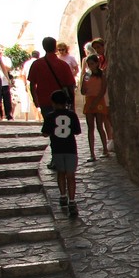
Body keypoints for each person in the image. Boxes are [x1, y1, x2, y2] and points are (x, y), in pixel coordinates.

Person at [41, 89, 81, 217]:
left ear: (53, 103)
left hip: (57, 149)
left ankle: (63, 195)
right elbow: (77, 131)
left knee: (61, 173)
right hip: (70, 149)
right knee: (71, 175)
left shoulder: (50, 116)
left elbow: (45, 133)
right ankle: (72, 201)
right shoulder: (72, 115)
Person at [28, 37, 76, 117]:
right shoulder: (63, 65)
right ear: (55, 48)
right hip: (61, 100)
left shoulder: (36, 64)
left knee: (49, 124)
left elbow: (32, 85)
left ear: (43, 47)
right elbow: (70, 85)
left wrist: (35, 101)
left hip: (44, 100)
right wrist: (72, 104)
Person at [79, 54, 109, 161]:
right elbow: (82, 90)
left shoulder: (102, 75)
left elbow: (103, 90)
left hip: (98, 100)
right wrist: (83, 84)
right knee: (90, 127)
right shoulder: (87, 75)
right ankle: (92, 153)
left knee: (100, 126)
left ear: (97, 63)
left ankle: (105, 149)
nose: (90, 66)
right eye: (89, 64)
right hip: (89, 100)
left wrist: (95, 102)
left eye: (92, 63)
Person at [22, 51, 42, 121]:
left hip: (29, 83)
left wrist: (25, 84)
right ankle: (40, 117)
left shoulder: (26, 63)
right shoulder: (40, 62)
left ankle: (37, 117)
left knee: (33, 100)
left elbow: (23, 74)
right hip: (39, 83)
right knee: (40, 99)